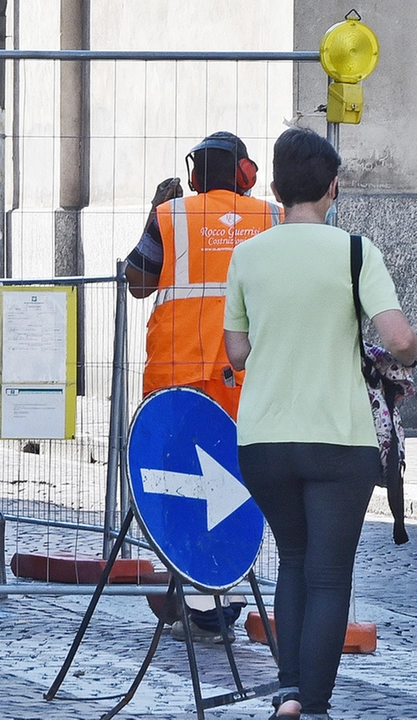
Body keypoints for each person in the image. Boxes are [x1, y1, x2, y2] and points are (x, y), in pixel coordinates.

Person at [224, 126, 417, 720]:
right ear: (333, 188)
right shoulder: (357, 252)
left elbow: (236, 353)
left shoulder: (247, 254)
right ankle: (313, 701)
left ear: (276, 189)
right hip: (340, 440)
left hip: (263, 441)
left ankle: (286, 691)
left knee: (294, 560)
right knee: (330, 575)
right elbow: (400, 341)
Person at [125, 131, 281, 643]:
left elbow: (138, 281)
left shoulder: (170, 216)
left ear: (194, 174)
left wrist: (157, 210)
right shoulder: (270, 219)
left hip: (176, 381)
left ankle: (185, 588)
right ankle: (226, 595)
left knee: (174, 488)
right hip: (245, 382)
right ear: (244, 173)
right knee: (237, 488)